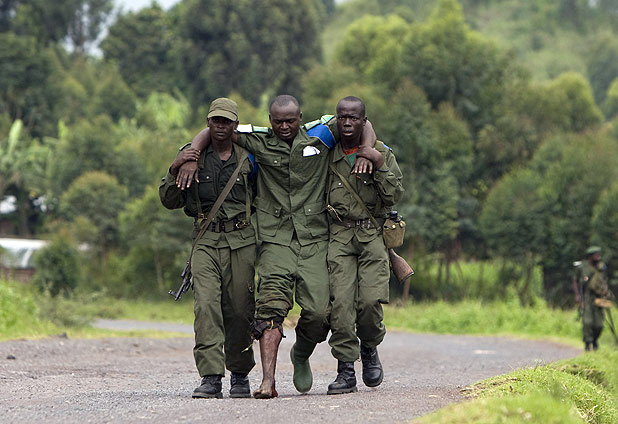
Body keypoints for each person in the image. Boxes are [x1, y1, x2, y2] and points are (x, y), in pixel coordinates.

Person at [176, 95, 376, 398]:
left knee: (321, 312)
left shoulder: (321, 134)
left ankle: (301, 353)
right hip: (275, 239)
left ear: (300, 118)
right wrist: (191, 154)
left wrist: (367, 151)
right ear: (270, 121)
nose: (284, 126)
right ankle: (267, 381)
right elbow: (217, 129)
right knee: (269, 307)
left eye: (290, 121)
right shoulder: (259, 140)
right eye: (278, 121)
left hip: (314, 238)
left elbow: (364, 124)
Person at [159, 98, 257, 398]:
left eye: (226, 121)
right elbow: (169, 200)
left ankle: (239, 374)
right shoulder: (192, 156)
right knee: (206, 307)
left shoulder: (250, 157)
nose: (220, 126)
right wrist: (176, 166)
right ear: (208, 122)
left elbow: (265, 198)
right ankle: (211, 376)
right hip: (205, 240)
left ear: (235, 125)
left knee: (240, 310)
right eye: (215, 121)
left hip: (242, 240)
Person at [323, 96, 403, 394]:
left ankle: (369, 347)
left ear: (363, 120)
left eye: (354, 118)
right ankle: (345, 368)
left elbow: (394, 195)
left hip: (372, 235)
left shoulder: (382, 152)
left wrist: (377, 162)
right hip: (339, 235)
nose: (347, 123)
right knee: (341, 305)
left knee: (370, 302)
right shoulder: (326, 152)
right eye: (342, 117)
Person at [573, 246, 609, 351]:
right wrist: (577, 295)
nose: (598, 256)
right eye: (596, 254)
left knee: (599, 324)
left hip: (599, 297)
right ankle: (588, 343)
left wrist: (605, 290)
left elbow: (605, 280)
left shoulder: (601, 267)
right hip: (586, 297)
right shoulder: (582, 267)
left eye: (598, 254)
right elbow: (575, 281)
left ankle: (595, 340)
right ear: (590, 256)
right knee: (587, 322)